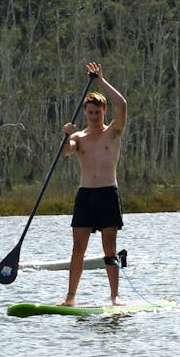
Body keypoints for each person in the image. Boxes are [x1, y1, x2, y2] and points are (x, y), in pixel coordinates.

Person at [57, 61, 127, 307]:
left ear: (103, 112)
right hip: (85, 196)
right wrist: (66, 134)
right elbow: (66, 152)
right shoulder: (79, 137)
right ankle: (70, 297)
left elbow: (122, 104)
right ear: (85, 112)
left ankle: (115, 296)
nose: (94, 116)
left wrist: (100, 81)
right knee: (78, 248)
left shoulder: (113, 132)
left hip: (108, 193)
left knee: (110, 247)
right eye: (90, 112)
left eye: (97, 112)